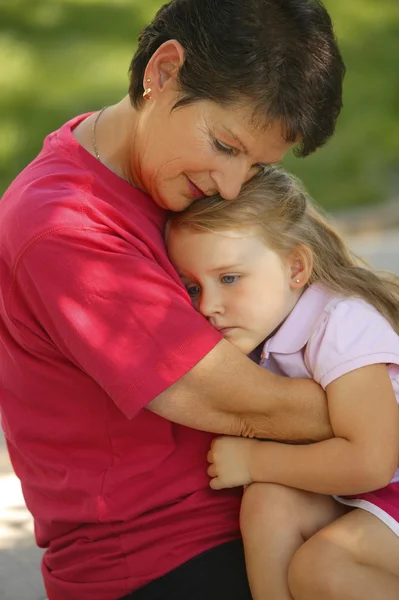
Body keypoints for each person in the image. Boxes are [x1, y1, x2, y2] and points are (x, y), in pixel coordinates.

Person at [0, 1, 345, 599]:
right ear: (161, 73)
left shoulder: (167, 167)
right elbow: (249, 406)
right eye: (226, 145)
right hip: (165, 553)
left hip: (284, 496)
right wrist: (375, 411)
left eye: (259, 164)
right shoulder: (64, 227)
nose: (234, 185)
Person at [166, 166, 399, 600]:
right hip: (371, 498)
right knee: (269, 503)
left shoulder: (340, 323)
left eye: (229, 278)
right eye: (193, 288)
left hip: (385, 485)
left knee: (321, 569)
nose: (209, 307)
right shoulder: (261, 328)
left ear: (295, 267)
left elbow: (372, 461)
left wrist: (255, 461)